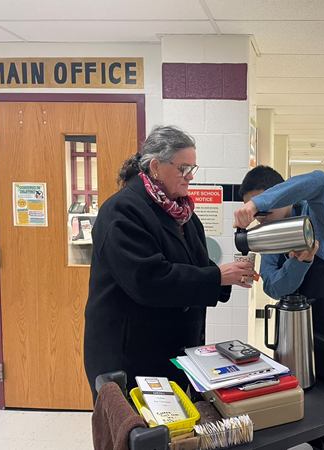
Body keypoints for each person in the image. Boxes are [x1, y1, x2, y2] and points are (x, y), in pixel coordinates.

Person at [84, 126, 255, 401]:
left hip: (173, 350)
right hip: (130, 356)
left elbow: (196, 263)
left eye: (193, 168)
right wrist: (217, 277)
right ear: (155, 166)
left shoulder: (183, 213)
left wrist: (230, 276)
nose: (189, 177)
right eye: (183, 168)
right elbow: (148, 280)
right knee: (136, 435)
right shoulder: (122, 211)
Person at [234, 167, 324, 450]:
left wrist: (259, 202)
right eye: (257, 214)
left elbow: (319, 180)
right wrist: (298, 263)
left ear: (282, 195)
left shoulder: (316, 215)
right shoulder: (268, 236)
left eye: (266, 208)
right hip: (295, 330)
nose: (260, 218)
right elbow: (273, 286)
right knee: (304, 406)